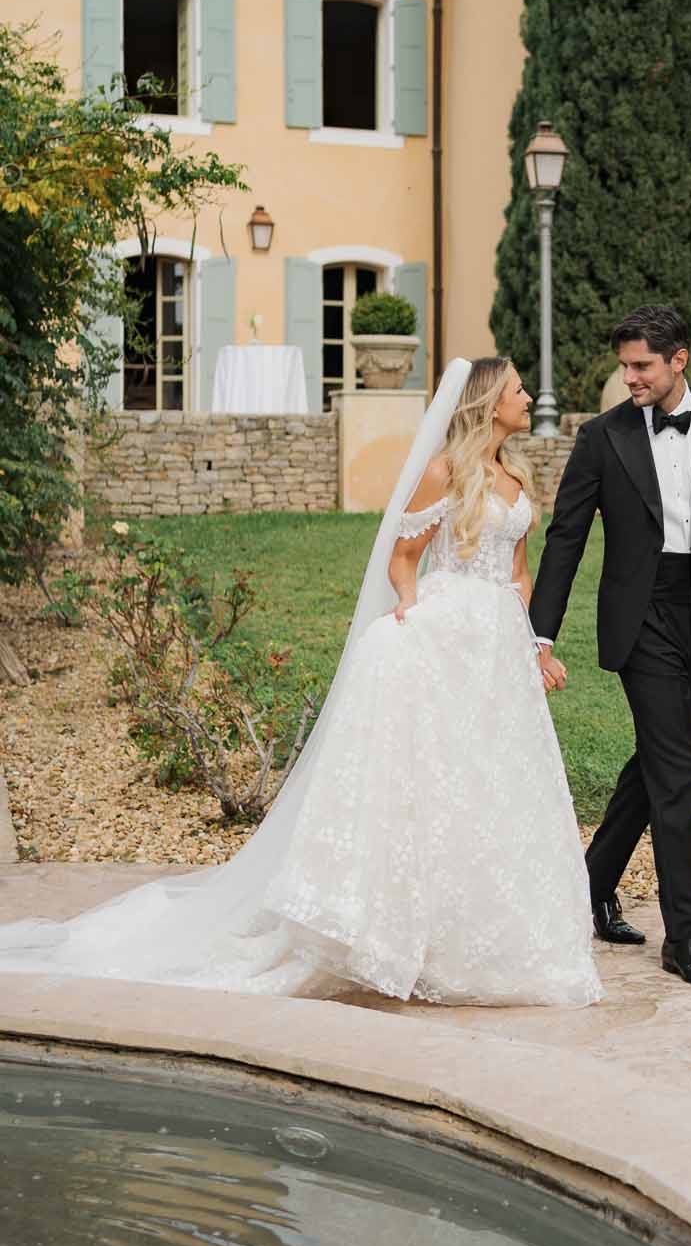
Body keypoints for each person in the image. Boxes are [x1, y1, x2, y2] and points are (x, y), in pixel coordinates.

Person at [0, 357, 601, 1009]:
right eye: (517, 389)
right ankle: (401, 934)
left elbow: (517, 571)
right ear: (489, 402)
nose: (528, 396)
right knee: (433, 783)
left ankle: (479, 938)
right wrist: (411, 608)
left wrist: (531, 646)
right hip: (444, 634)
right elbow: (404, 558)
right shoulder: (443, 473)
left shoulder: (514, 477)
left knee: (492, 785)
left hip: (494, 647)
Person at [529, 306, 691, 991]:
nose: (629, 378)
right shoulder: (601, 437)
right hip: (636, 617)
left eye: (641, 365)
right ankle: (688, 937)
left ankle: (589, 887)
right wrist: (540, 631)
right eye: (625, 367)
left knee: (654, 762)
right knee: (678, 769)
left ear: (679, 359)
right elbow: (566, 537)